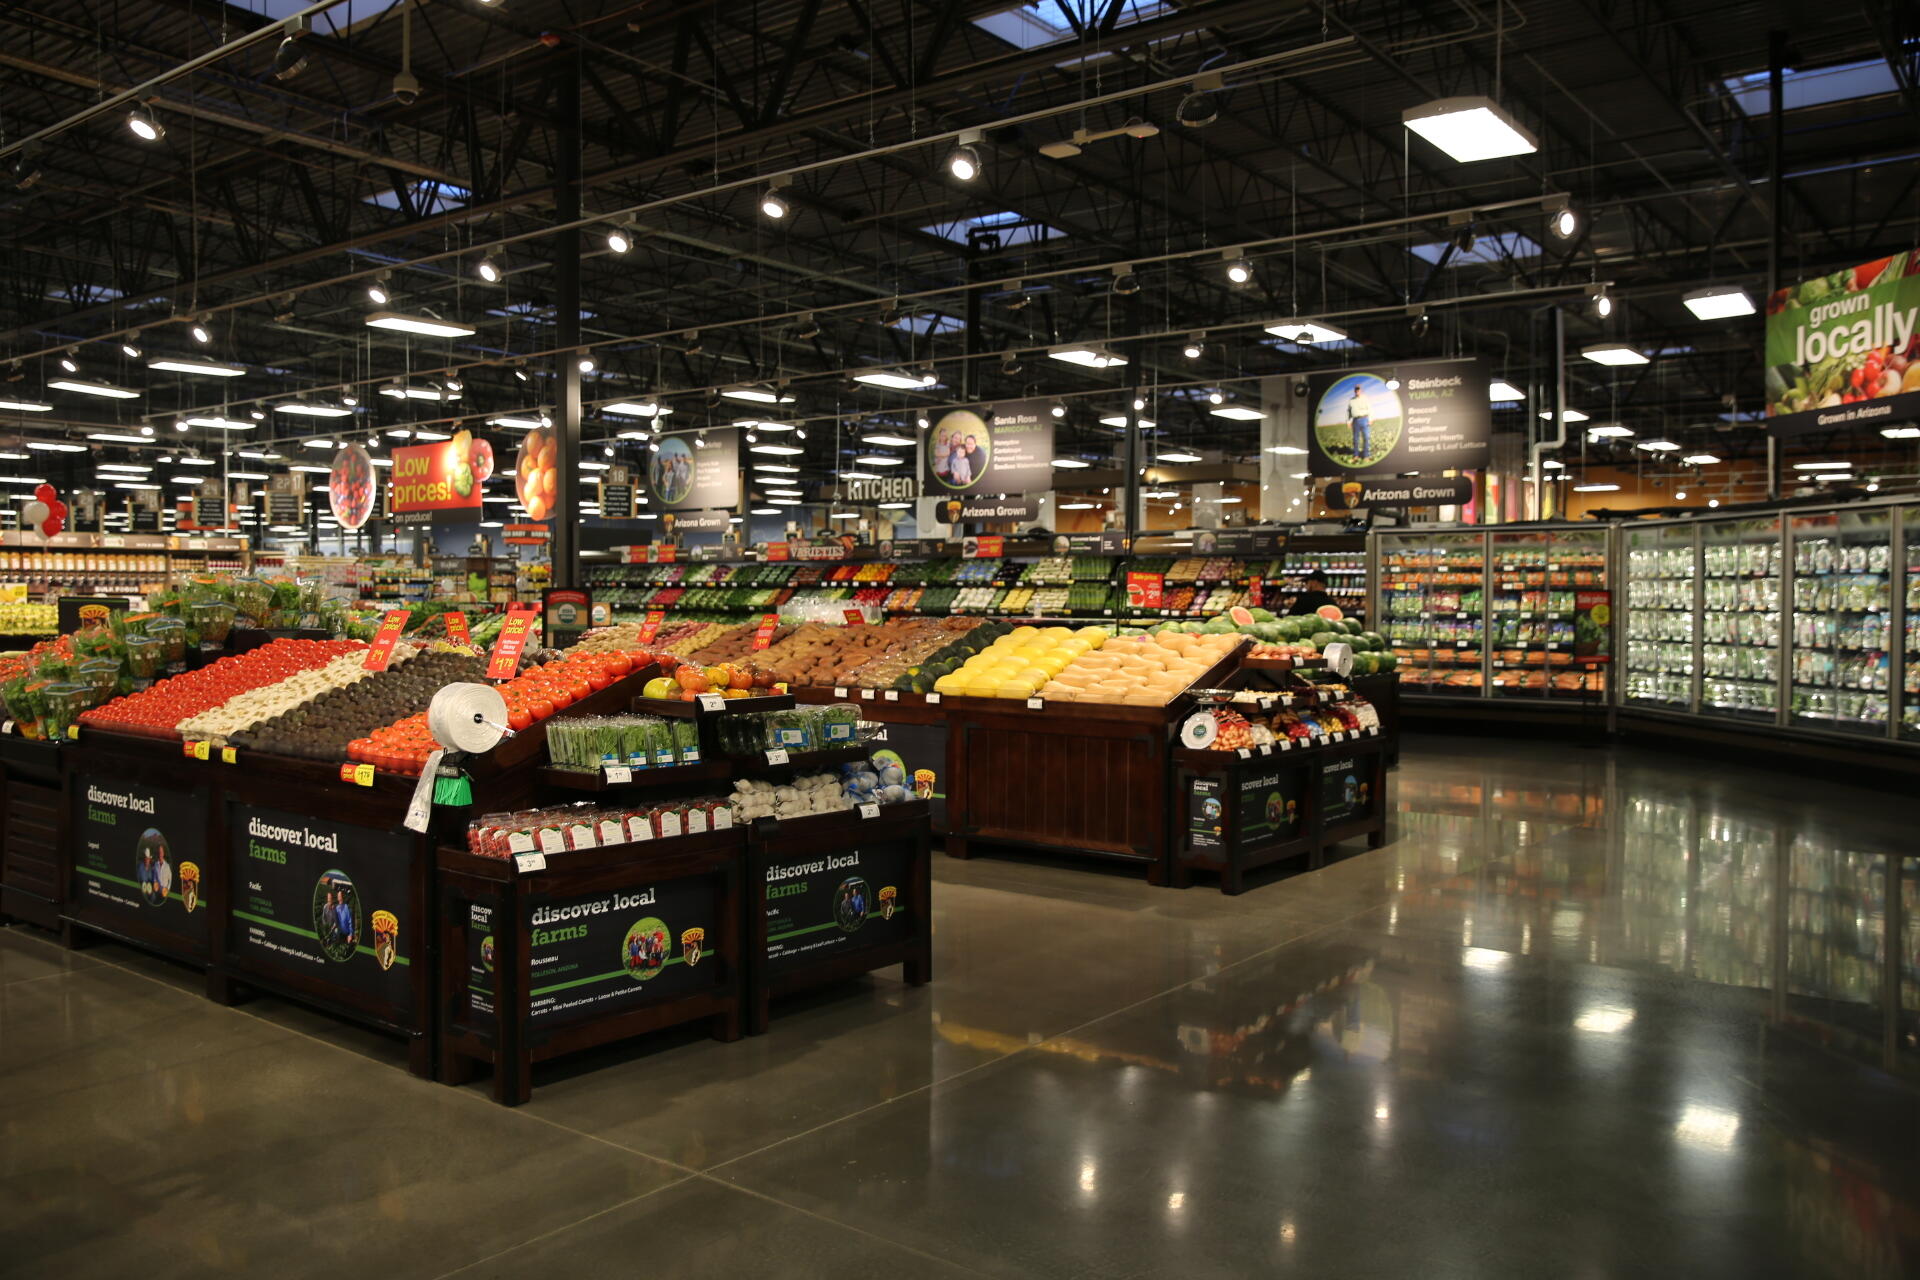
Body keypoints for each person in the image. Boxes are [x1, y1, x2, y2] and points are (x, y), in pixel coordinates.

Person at [1347, 385, 1372, 459]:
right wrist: (1348, 421)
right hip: (1355, 421)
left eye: (1358, 389)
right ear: (1354, 391)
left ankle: (1366, 455)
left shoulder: (1365, 398)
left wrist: (1370, 419)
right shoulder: (1351, 400)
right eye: (1356, 389)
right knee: (1355, 439)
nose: (1357, 391)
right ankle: (1356, 455)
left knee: (1366, 438)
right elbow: (1348, 412)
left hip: (1365, 419)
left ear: (1361, 390)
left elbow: (1370, 409)